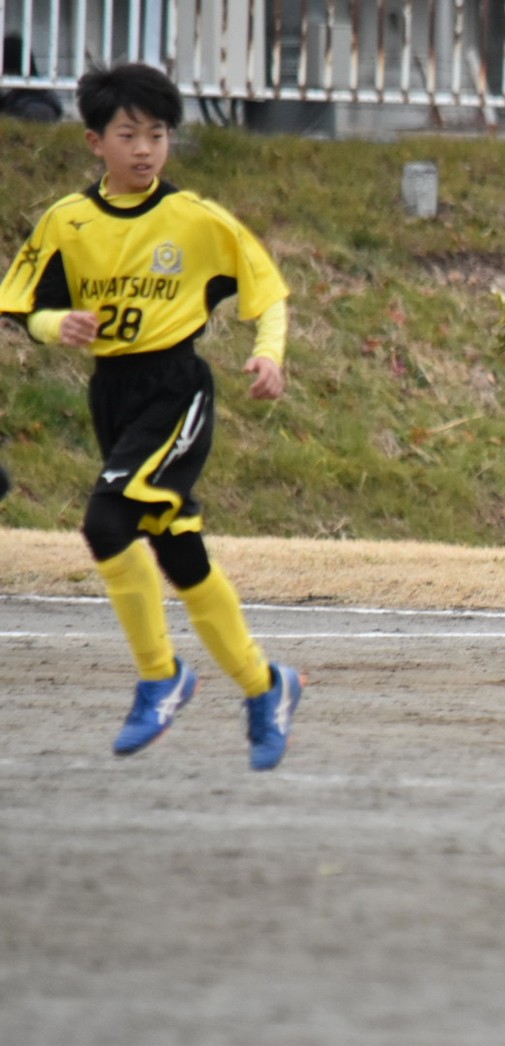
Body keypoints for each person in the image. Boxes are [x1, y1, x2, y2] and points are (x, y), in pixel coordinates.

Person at [0, 62, 303, 770]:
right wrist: (54, 326)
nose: (145, 149)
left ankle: (161, 676)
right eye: (129, 133)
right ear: (93, 142)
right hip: (112, 391)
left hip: (177, 389)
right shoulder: (68, 222)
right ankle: (267, 686)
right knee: (177, 550)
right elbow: (19, 303)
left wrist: (270, 353)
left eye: (158, 134)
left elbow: (268, 290)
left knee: (107, 521)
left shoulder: (195, 219)